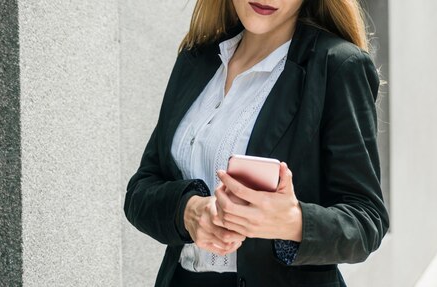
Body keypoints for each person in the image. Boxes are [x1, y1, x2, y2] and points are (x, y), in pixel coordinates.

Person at [123, 0, 390, 286]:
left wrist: (293, 221)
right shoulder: (197, 58)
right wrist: (188, 212)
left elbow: (366, 220)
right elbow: (140, 190)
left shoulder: (337, 66)